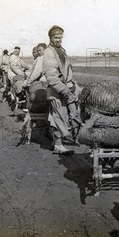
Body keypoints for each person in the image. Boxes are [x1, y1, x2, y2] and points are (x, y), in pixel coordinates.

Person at [43, 25, 82, 155]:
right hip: (57, 91)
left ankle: (75, 138)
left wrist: (73, 88)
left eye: (60, 37)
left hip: (68, 89)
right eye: (56, 37)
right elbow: (51, 77)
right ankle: (58, 145)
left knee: (74, 115)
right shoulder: (49, 52)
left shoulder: (60, 50)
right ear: (50, 38)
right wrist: (65, 90)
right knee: (58, 117)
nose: (58, 40)